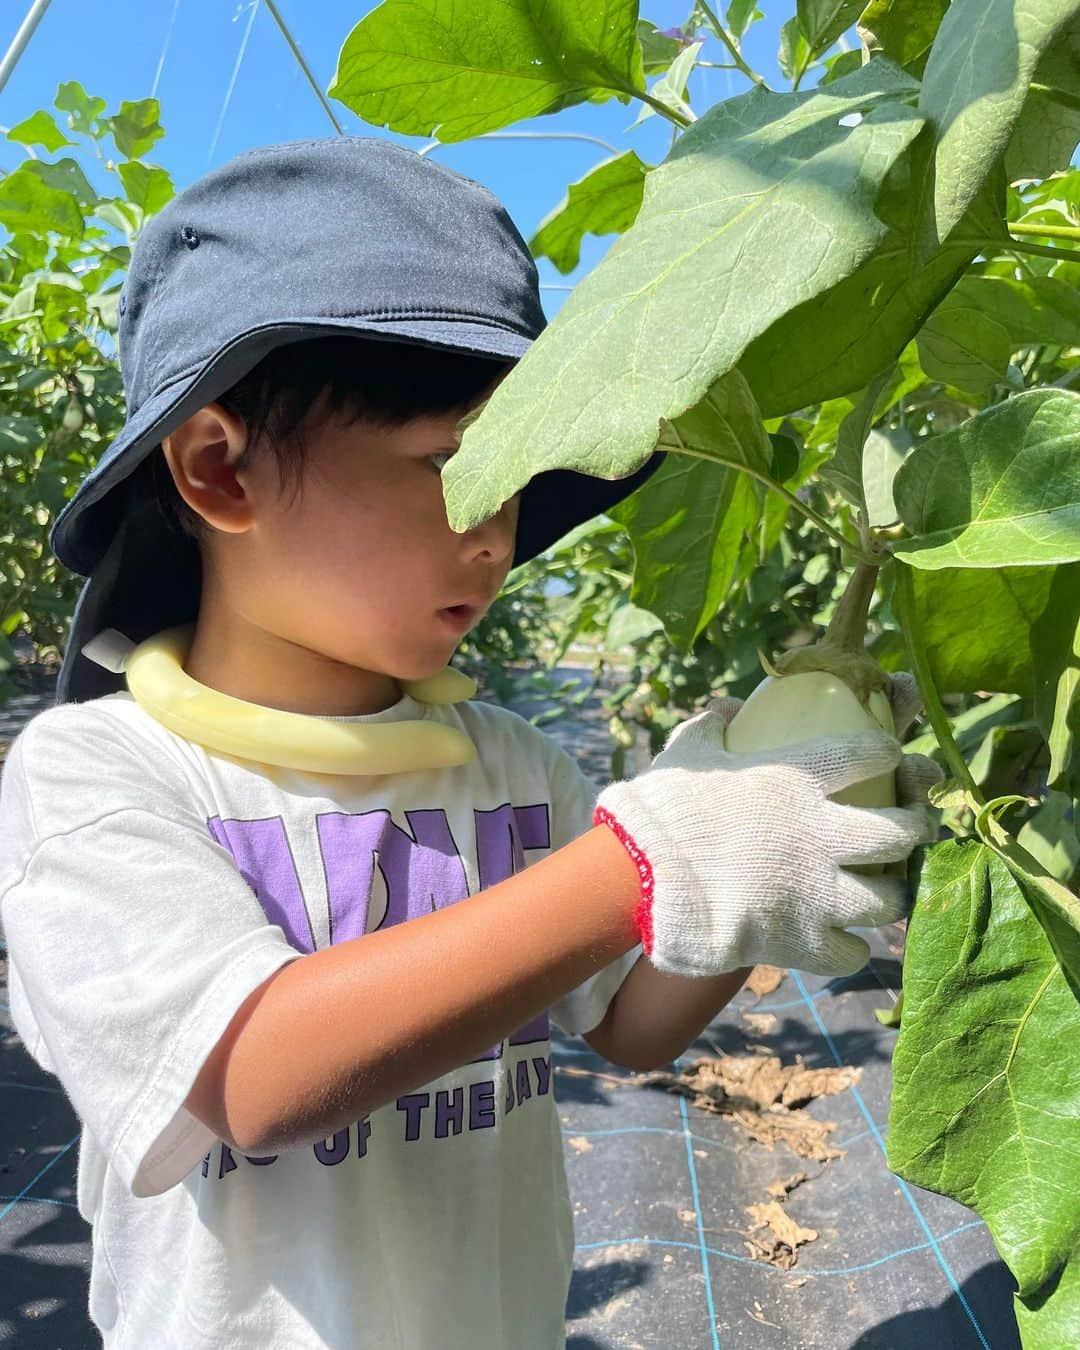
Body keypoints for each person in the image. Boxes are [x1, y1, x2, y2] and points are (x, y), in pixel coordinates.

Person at [0, 137, 940, 1349]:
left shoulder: (502, 759)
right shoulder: (96, 774)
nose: (498, 534)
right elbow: (255, 1077)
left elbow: (628, 1023)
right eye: (452, 464)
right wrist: (655, 856)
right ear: (220, 470)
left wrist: (765, 840)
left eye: (517, 475)